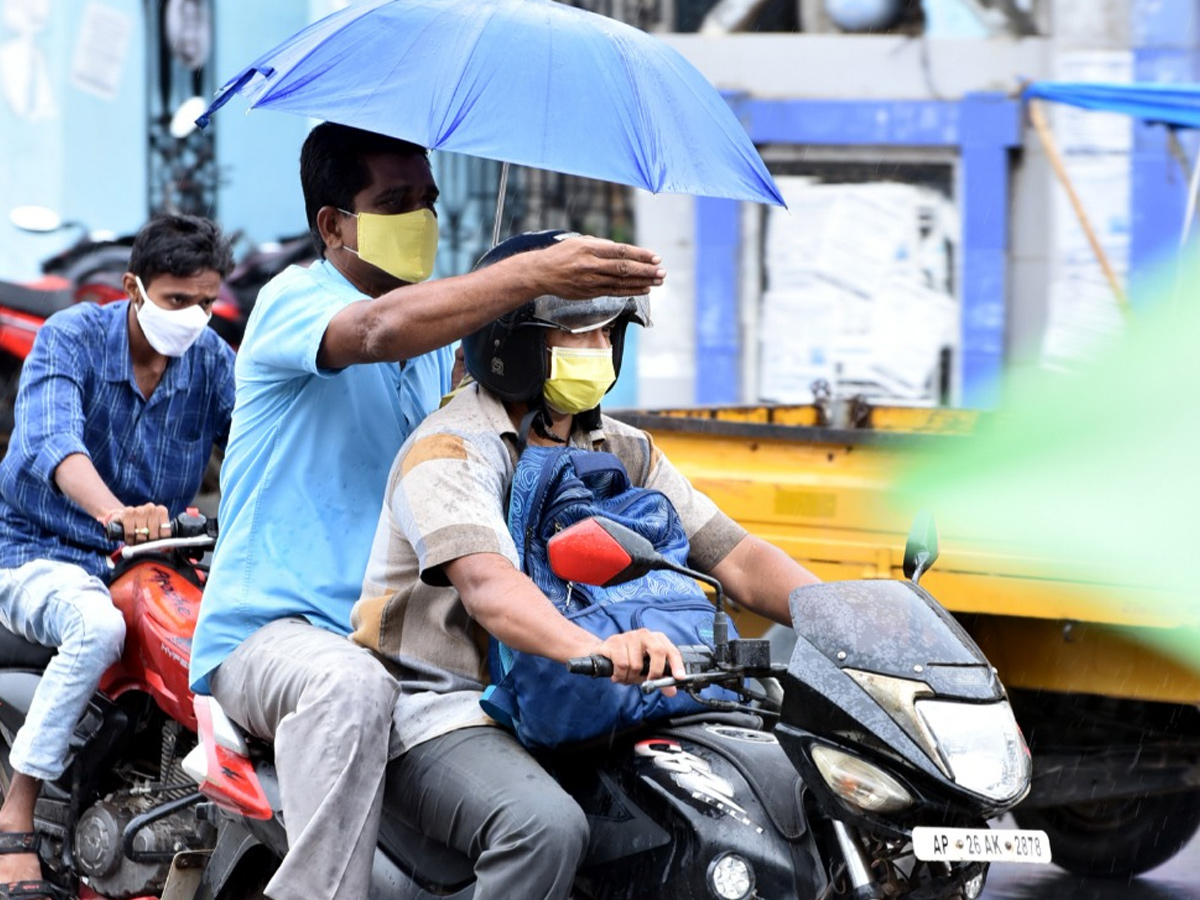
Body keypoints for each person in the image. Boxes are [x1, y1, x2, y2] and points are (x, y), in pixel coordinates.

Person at [188, 124, 666, 900]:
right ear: (333, 225)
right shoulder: (297, 303)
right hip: (281, 637)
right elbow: (374, 330)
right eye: (396, 203)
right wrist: (530, 272)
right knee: (347, 685)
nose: (422, 219)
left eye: (429, 201)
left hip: (407, 657)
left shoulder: (437, 347)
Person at [351, 229, 821, 900]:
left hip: (587, 702)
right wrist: (597, 645)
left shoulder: (622, 448)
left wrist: (846, 617)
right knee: (541, 828)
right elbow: (490, 587)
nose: (597, 352)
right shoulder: (451, 449)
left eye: (607, 335)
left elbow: (738, 558)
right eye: (576, 336)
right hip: (445, 714)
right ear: (512, 343)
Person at [0, 214, 235, 899]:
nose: (192, 317)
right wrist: (113, 513)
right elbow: (53, 445)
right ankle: (16, 808)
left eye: (204, 302)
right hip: (39, 551)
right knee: (97, 627)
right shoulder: (70, 337)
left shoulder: (211, 359)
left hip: (152, 563)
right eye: (174, 300)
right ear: (133, 287)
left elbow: (252, 446)